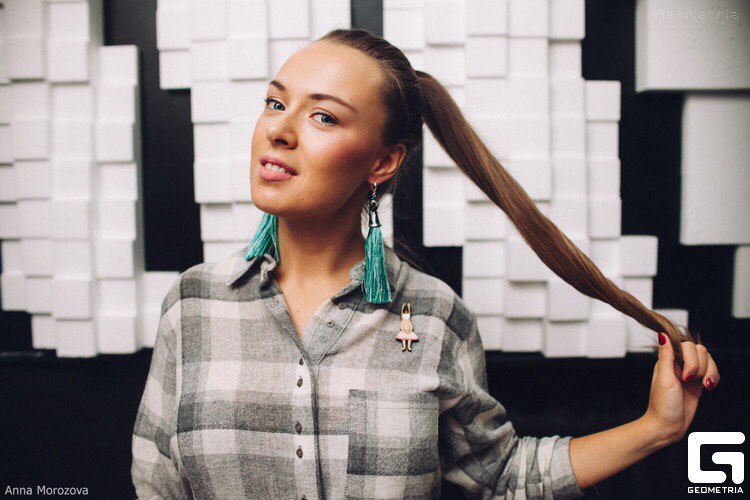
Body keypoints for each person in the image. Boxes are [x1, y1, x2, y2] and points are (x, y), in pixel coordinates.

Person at [131, 28, 720, 499]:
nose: (278, 130)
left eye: (323, 116)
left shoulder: (436, 317)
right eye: (275, 102)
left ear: (383, 162)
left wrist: (658, 429)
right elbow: (156, 483)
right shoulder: (194, 304)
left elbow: (500, 478)